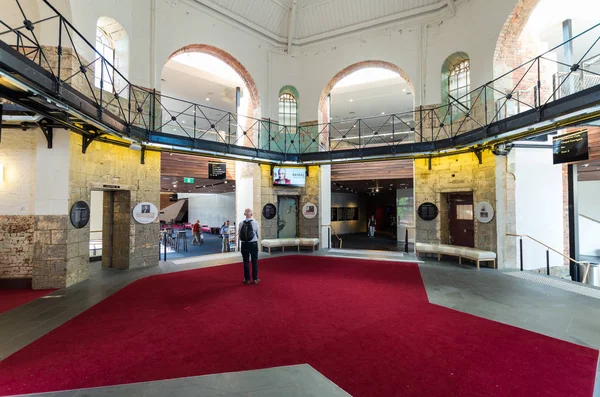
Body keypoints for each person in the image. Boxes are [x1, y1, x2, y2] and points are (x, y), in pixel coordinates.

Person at [238, 208, 259, 284]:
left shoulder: (241, 223)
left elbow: (239, 235)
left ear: (245, 215)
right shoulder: (255, 223)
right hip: (253, 244)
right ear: (251, 214)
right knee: (254, 261)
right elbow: (257, 234)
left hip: (244, 244)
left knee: (246, 262)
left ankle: (247, 279)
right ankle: (255, 279)